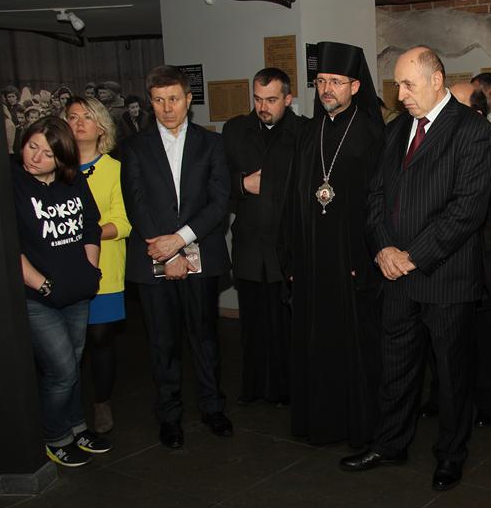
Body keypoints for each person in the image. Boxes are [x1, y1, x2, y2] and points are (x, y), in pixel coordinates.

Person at [340, 46, 491, 492]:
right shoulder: (396, 130)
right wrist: (384, 249)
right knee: (396, 367)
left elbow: (466, 211)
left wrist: (412, 256)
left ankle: (450, 455)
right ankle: (390, 444)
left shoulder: (472, 131)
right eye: (397, 85)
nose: (400, 94)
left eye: (408, 84)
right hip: (396, 276)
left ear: (436, 80)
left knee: (451, 374)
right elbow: (375, 196)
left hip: (445, 276)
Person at [121, 65, 232, 449]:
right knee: (162, 341)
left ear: (188, 99)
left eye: (173, 99)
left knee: (205, 337)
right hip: (153, 255)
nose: (167, 108)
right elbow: (136, 204)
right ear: (150, 103)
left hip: (200, 249)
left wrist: (180, 241)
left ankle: (213, 407)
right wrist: (166, 252)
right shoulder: (134, 147)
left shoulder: (212, 143)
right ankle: (169, 415)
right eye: (158, 100)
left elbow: (219, 201)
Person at [284, 42, 385, 447]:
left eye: (336, 82)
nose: (327, 89)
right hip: (312, 261)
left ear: (355, 86)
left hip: (353, 260)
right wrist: (292, 256)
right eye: (322, 81)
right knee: (316, 342)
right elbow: (294, 199)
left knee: (355, 345)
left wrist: (367, 255)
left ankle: (359, 427)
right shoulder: (310, 132)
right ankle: (320, 423)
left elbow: (380, 203)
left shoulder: (373, 134)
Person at [13, 116, 111, 466]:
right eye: (32, 147)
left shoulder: (73, 180)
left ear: (62, 159)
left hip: (77, 292)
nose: (35, 157)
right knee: (62, 370)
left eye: (47, 154)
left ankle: (76, 427)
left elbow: (90, 227)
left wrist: (90, 270)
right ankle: (54, 436)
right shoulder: (12, 181)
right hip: (38, 296)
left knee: (73, 363)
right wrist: (41, 283)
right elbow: (9, 243)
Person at [420, 82, 491, 427]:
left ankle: (488, 399)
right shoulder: (436, 150)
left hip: (479, 264)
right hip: (438, 261)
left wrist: (466, 243)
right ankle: (440, 395)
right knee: (438, 337)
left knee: (481, 338)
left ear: (476, 114)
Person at [223, 67, 305, 407]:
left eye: (271, 100)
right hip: (249, 245)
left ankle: (289, 390)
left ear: (287, 98)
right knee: (253, 325)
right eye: (257, 99)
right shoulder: (235, 130)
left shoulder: (304, 132)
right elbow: (216, 183)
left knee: (287, 326)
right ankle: (254, 387)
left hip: (287, 247)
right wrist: (242, 184)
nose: (263, 107)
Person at [66, 96, 130, 434]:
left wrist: (85, 233)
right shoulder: (53, 168)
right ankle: (69, 407)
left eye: (87, 117)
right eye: (72, 117)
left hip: (105, 267)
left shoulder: (115, 170)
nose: (79, 123)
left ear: (101, 126)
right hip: (62, 271)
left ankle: (102, 402)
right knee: (66, 346)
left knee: (100, 339)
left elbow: (123, 222)